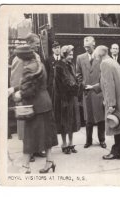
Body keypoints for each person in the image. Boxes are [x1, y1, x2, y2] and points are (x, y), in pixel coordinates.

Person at [8, 45, 58, 174]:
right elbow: (33, 83)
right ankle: (50, 162)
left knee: (29, 137)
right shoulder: (38, 64)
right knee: (47, 135)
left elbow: (29, 90)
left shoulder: (28, 68)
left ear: (22, 58)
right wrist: (14, 88)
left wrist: (19, 95)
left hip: (35, 107)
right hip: (45, 103)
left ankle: (25, 167)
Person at [93, 45, 120, 160]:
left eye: (96, 54)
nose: (95, 57)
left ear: (100, 54)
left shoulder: (104, 64)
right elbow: (108, 82)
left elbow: (109, 85)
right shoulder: (112, 62)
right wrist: (94, 87)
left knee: (116, 125)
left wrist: (111, 104)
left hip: (116, 99)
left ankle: (116, 152)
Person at [10, 33, 46, 162]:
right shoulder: (19, 58)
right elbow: (15, 80)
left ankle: (35, 150)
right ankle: (29, 152)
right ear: (29, 43)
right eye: (36, 43)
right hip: (25, 96)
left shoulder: (35, 56)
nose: (37, 46)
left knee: (34, 125)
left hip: (34, 96)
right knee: (26, 126)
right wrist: (19, 94)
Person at [76, 36, 106, 148]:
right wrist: (83, 85)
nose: (86, 49)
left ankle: (102, 140)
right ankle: (88, 141)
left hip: (98, 92)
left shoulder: (100, 57)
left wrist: (96, 86)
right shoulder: (80, 58)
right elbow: (78, 74)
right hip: (87, 93)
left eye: (88, 47)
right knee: (88, 119)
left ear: (94, 44)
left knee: (100, 119)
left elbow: (104, 75)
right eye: (85, 47)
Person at [54, 45, 81, 154]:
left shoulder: (71, 64)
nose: (71, 56)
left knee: (72, 121)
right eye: (69, 54)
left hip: (71, 97)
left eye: (72, 54)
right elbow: (60, 84)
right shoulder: (59, 66)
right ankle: (64, 144)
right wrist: (74, 86)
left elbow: (74, 79)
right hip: (63, 98)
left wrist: (77, 84)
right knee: (64, 122)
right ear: (64, 54)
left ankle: (71, 143)